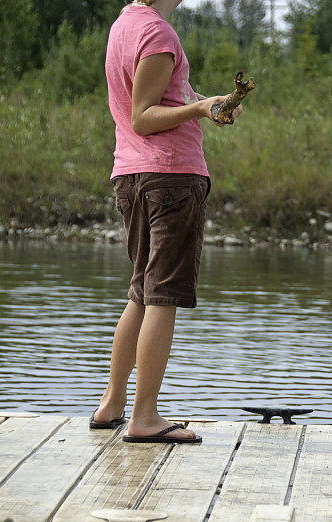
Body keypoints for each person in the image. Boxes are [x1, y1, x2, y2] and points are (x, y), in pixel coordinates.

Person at [90, 0, 242, 443]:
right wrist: (197, 111)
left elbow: (158, 101)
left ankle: (112, 405)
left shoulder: (125, 26)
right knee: (162, 296)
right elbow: (143, 117)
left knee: (141, 291)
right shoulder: (157, 32)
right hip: (170, 176)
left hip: (134, 175)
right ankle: (144, 418)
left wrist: (207, 104)